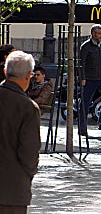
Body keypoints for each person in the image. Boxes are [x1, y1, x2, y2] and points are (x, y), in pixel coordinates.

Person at [0, 51, 41, 214]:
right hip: (12, 190)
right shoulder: (28, 108)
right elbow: (29, 153)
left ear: (5, 72)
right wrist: (28, 174)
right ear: (28, 76)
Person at [79, 24, 101, 136]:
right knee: (85, 102)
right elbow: (81, 64)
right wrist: (82, 77)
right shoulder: (86, 46)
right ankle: (82, 127)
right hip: (90, 78)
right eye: (99, 33)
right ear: (93, 34)